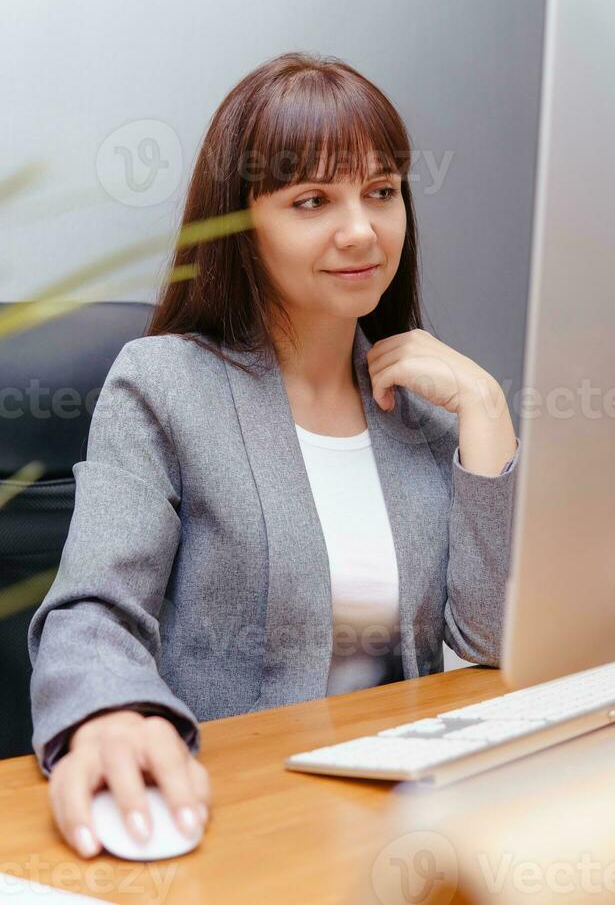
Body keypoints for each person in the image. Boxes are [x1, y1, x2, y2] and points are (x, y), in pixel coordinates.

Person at [27, 51, 520, 860]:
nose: (361, 229)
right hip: (241, 814)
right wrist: (108, 713)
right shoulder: (165, 386)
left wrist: (487, 410)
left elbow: (490, 644)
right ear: (240, 226)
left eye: (383, 192)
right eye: (311, 200)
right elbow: (93, 610)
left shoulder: (424, 408)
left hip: (402, 823)